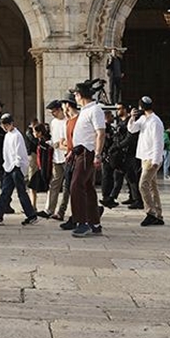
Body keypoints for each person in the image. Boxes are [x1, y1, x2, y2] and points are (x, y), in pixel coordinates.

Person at [68, 81, 105, 238]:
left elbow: (100, 133)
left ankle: (82, 222)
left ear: (79, 95)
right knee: (88, 188)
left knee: (76, 186)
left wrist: (97, 154)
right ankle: (94, 223)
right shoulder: (85, 110)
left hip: (88, 152)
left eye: (75, 94)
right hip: (80, 153)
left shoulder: (95, 110)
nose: (74, 97)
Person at [0, 114, 39, 225]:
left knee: (21, 192)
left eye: (6, 125)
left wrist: (17, 165)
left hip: (16, 167)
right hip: (8, 167)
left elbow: (19, 152)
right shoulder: (8, 135)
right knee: (5, 191)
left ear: (11, 123)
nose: (5, 127)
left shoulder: (17, 135)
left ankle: (31, 215)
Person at [128, 96, 165, 226]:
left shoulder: (155, 121)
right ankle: (158, 215)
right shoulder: (144, 119)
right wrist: (132, 118)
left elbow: (158, 142)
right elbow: (132, 129)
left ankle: (150, 213)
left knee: (142, 184)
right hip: (145, 157)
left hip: (151, 158)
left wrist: (156, 159)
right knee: (152, 186)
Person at [44, 101, 70, 220]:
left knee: (66, 186)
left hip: (67, 156)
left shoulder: (67, 121)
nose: (53, 114)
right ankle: (49, 209)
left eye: (54, 111)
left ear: (60, 109)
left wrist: (61, 144)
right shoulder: (53, 123)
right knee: (54, 183)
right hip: (56, 157)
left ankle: (61, 211)